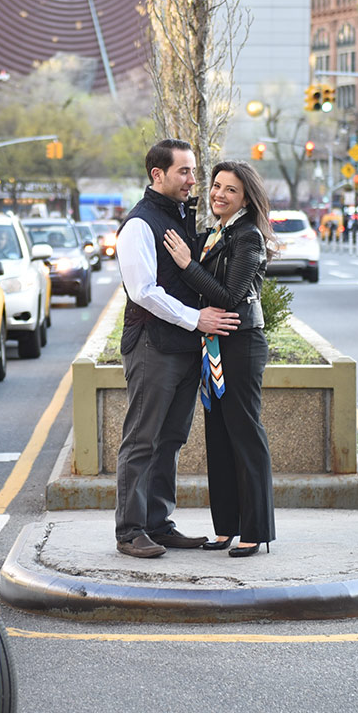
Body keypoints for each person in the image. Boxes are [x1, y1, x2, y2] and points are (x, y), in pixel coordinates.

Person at [114, 139, 240, 558]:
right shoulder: (138, 224)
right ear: (158, 175)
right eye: (184, 171)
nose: (192, 180)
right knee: (142, 440)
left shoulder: (182, 216)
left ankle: (158, 523)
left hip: (185, 347)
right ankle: (131, 531)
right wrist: (196, 319)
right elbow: (143, 291)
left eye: (193, 171)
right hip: (152, 345)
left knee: (170, 439)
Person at [163, 160, 277, 557]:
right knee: (219, 437)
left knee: (245, 434)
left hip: (241, 343)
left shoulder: (247, 237)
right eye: (215, 186)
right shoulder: (216, 233)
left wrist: (186, 264)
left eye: (230, 189)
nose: (218, 194)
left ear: (245, 197)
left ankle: (256, 529)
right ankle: (227, 526)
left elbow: (229, 297)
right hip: (213, 344)